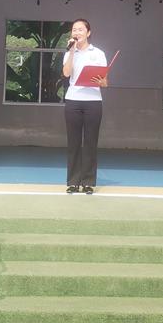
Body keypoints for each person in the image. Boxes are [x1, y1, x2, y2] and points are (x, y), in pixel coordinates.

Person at [62, 18, 108, 194]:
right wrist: (72, 51)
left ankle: (88, 181)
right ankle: (73, 181)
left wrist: (102, 82)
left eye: (80, 29)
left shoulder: (98, 53)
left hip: (93, 102)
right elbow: (66, 73)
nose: (77, 32)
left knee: (90, 142)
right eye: (74, 30)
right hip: (73, 100)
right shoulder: (69, 52)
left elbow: (105, 82)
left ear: (88, 33)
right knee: (73, 142)